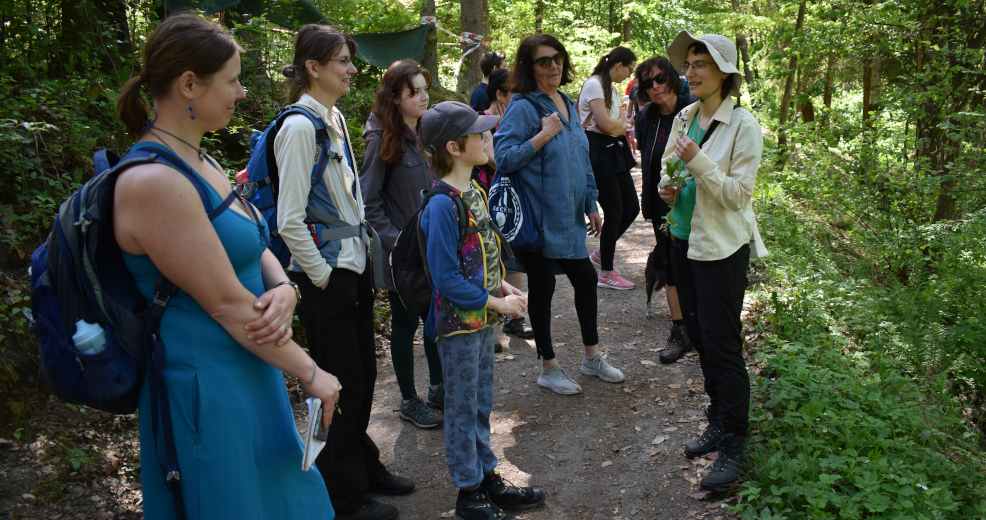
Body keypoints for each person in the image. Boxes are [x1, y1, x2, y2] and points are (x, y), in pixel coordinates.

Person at [114, 13, 339, 519]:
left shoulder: (201, 161)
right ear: (189, 85)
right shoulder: (154, 183)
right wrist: (312, 372)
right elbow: (227, 305)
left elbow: (253, 241)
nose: (242, 92)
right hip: (207, 388)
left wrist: (285, 287)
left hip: (252, 369)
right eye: (233, 80)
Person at [277, 24, 413, 520]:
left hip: (351, 269)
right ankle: (341, 496)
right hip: (326, 276)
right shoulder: (298, 128)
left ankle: (361, 466)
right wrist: (321, 276)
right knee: (335, 385)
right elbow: (289, 219)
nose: (353, 69)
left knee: (361, 378)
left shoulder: (330, 117)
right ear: (313, 67)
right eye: (343, 60)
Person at [418, 100, 546, 520]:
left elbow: (483, 257)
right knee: (460, 407)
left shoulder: (473, 191)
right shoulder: (441, 204)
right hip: (458, 326)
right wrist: (499, 303)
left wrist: (504, 287)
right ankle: (468, 492)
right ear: (454, 148)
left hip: (482, 321)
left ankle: (486, 475)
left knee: (480, 402)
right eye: (479, 133)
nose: (488, 136)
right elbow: (446, 278)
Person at [658, 31, 768, 492]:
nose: (691, 72)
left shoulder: (743, 125)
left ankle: (735, 444)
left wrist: (699, 162)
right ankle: (718, 420)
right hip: (684, 241)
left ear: (725, 73)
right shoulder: (684, 116)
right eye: (689, 63)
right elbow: (669, 167)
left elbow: (739, 195)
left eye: (701, 63)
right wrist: (668, 189)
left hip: (720, 250)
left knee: (723, 346)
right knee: (700, 339)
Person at [494, 33, 625, 396]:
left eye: (557, 58)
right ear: (529, 67)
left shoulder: (566, 101)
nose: (553, 66)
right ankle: (548, 367)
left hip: (567, 217)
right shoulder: (523, 107)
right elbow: (503, 158)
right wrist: (542, 135)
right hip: (538, 216)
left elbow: (581, 157)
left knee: (585, 279)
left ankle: (591, 358)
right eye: (543, 61)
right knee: (544, 286)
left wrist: (591, 202)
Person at [359, 59, 444, 430]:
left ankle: (438, 389)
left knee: (435, 318)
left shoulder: (425, 132)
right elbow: (368, 203)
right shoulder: (381, 138)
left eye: (425, 89)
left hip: (431, 249)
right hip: (402, 256)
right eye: (415, 91)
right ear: (394, 97)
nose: (424, 97)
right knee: (406, 322)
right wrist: (399, 244)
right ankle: (409, 401)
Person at [633, 55, 696, 364]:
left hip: (697, 203)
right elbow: (648, 161)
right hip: (662, 204)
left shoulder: (693, 109)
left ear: (671, 77)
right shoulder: (647, 117)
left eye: (660, 78)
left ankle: (704, 327)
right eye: (648, 83)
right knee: (670, 264)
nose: (655, 86)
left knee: (699, 264)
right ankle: (680, 331)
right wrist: (649, 201)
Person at [577, 46, 640, 290]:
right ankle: (606, 272)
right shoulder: (594, 84)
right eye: (629, 69)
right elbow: (606, 124)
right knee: (614, 210)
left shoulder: (610, 88)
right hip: (597, 150)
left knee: (631, 207)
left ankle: (602, 254)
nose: (629, 75)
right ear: (619, 65)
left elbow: (622, 123)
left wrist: (618, 126)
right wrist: (618, 125)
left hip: (614, 149)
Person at [481, 68, 534, 341]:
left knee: (511, 255)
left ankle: (515, 317)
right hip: (487, 198)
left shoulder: (515, 119)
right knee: (488, 258)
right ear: (500, 94)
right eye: (514, 92)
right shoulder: (483, 121)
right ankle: (488, 323)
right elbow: (495, 160)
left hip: (509, 198)